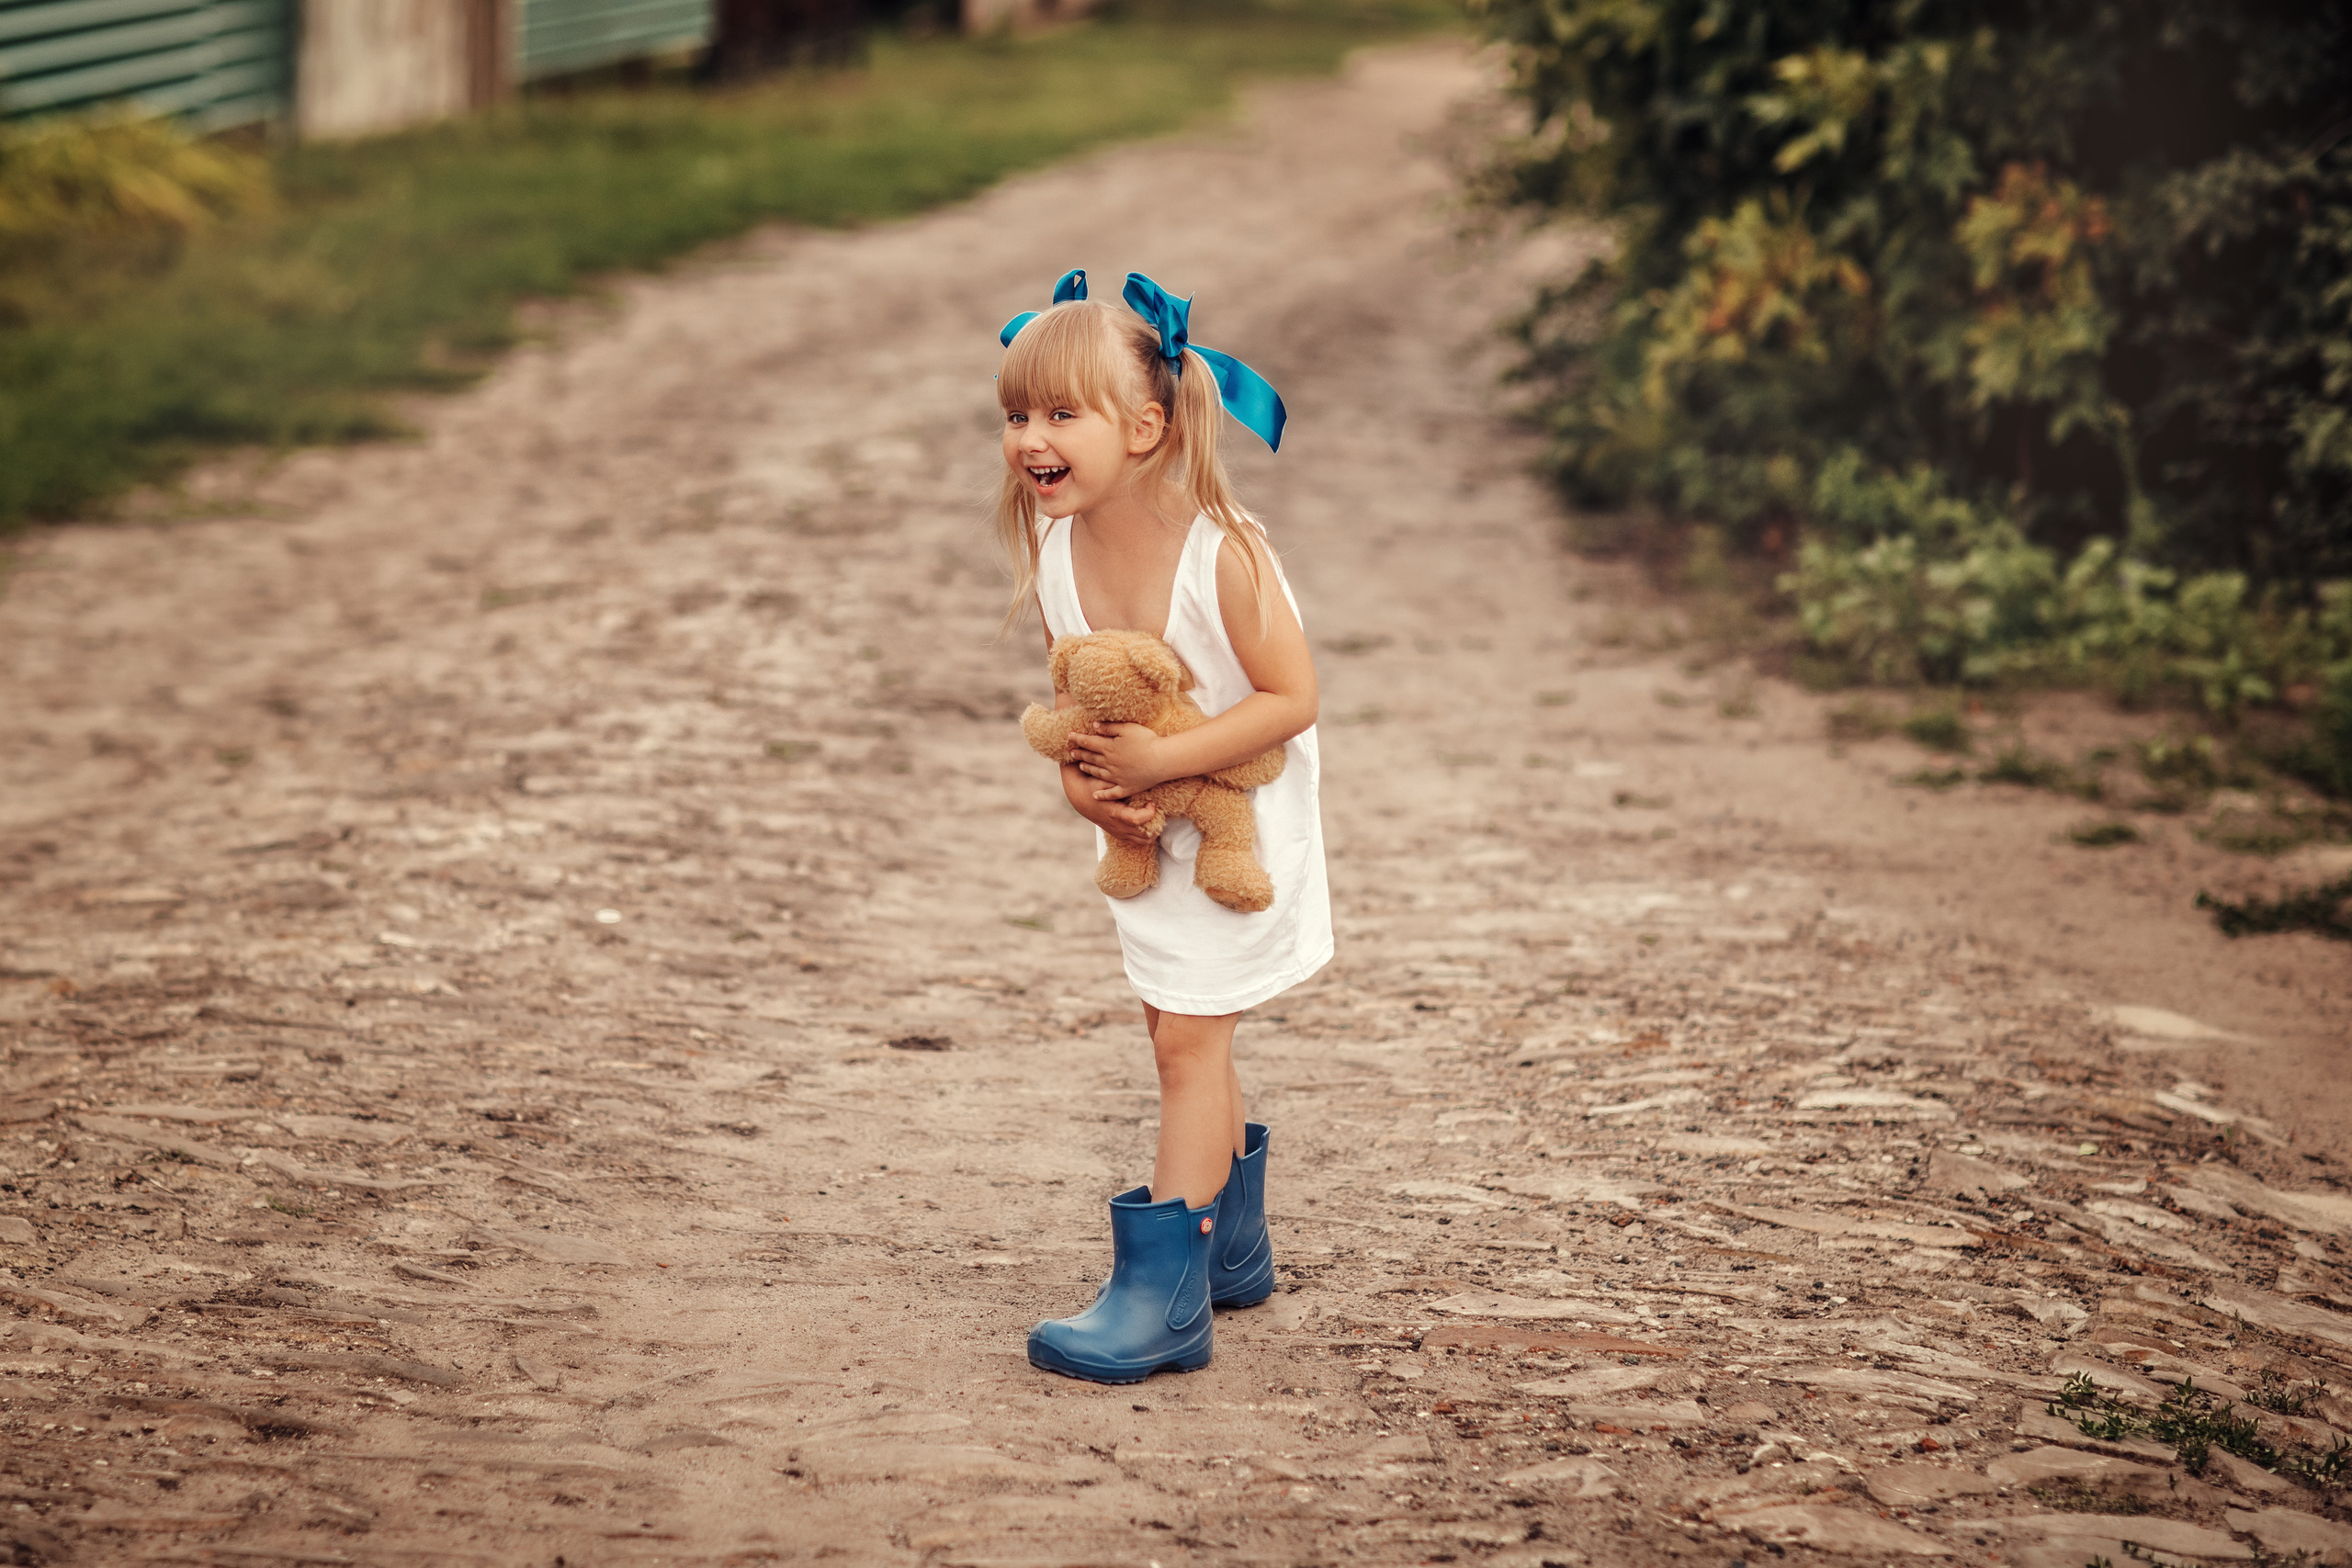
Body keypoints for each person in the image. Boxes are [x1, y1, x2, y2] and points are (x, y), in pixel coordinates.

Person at [992, 269, 1330, 1384]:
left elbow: (1290, 697)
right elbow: (1091, 712)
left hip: (1239, 816)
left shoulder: (1221, 551)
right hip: (1146, 820)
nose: (1030, 439)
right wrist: (1085, 790)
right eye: (1015, 416)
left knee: (1191, 1037)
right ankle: (1228, 1245)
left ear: (1144, 428)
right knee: (1174, 1026)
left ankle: (1161, 1297)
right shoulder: (1058, 551)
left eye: (1059, 415)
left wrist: (1166, 759)